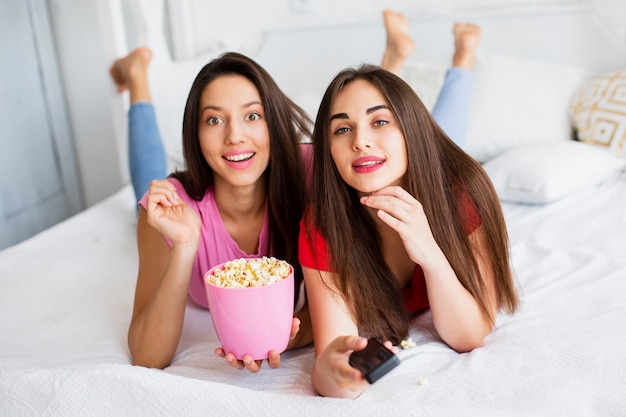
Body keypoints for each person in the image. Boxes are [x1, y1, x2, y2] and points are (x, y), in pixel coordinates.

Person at [108, 11, 481, 373]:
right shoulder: (172, 210)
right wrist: (185, 247)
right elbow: (146, 356)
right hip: (178, 204)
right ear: (195, 131)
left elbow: (386, 146)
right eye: (214, 120)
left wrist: (280, 336)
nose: (235, 135)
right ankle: (137, 75)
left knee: (419, 147)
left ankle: (440, 61)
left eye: (252, 116)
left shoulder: (309, 168)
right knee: (146, 184)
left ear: (274, 123)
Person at [298, 64, 519, 398]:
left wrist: (429, 252)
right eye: (342, 129)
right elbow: (334, 362)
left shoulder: (464, 194)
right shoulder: (323, 224)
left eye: (380, 121)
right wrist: (332, 374)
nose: (360, 142)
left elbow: (469, 336)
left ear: (410, 129)